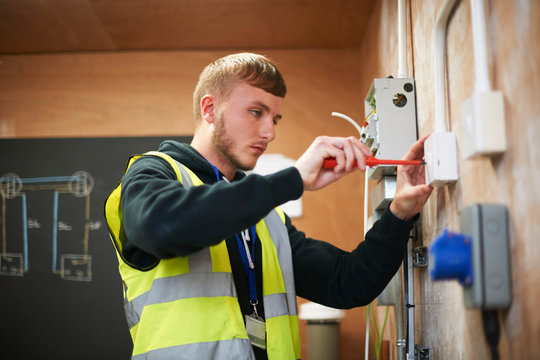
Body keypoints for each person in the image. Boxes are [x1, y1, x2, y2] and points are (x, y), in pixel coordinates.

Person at [104, 53, 432, 360]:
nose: (269, 132)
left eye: (275, 119)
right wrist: (292, 179)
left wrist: (399, 213)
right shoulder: (151, 174)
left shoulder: (266, 217)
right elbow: (163, 228)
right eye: (256, 112)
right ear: (209, 110)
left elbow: (346, 283)